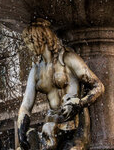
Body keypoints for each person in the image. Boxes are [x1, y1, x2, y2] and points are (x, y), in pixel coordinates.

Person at [17, 19, 104, 150]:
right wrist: (21, 129)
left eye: (31, 42)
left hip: (75, 122)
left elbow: (98, 86)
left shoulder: (68, 59)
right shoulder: (35, 71)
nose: (28, 46)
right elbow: (26, 105)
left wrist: (80, 103)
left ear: (41, 39)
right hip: (52, 123)